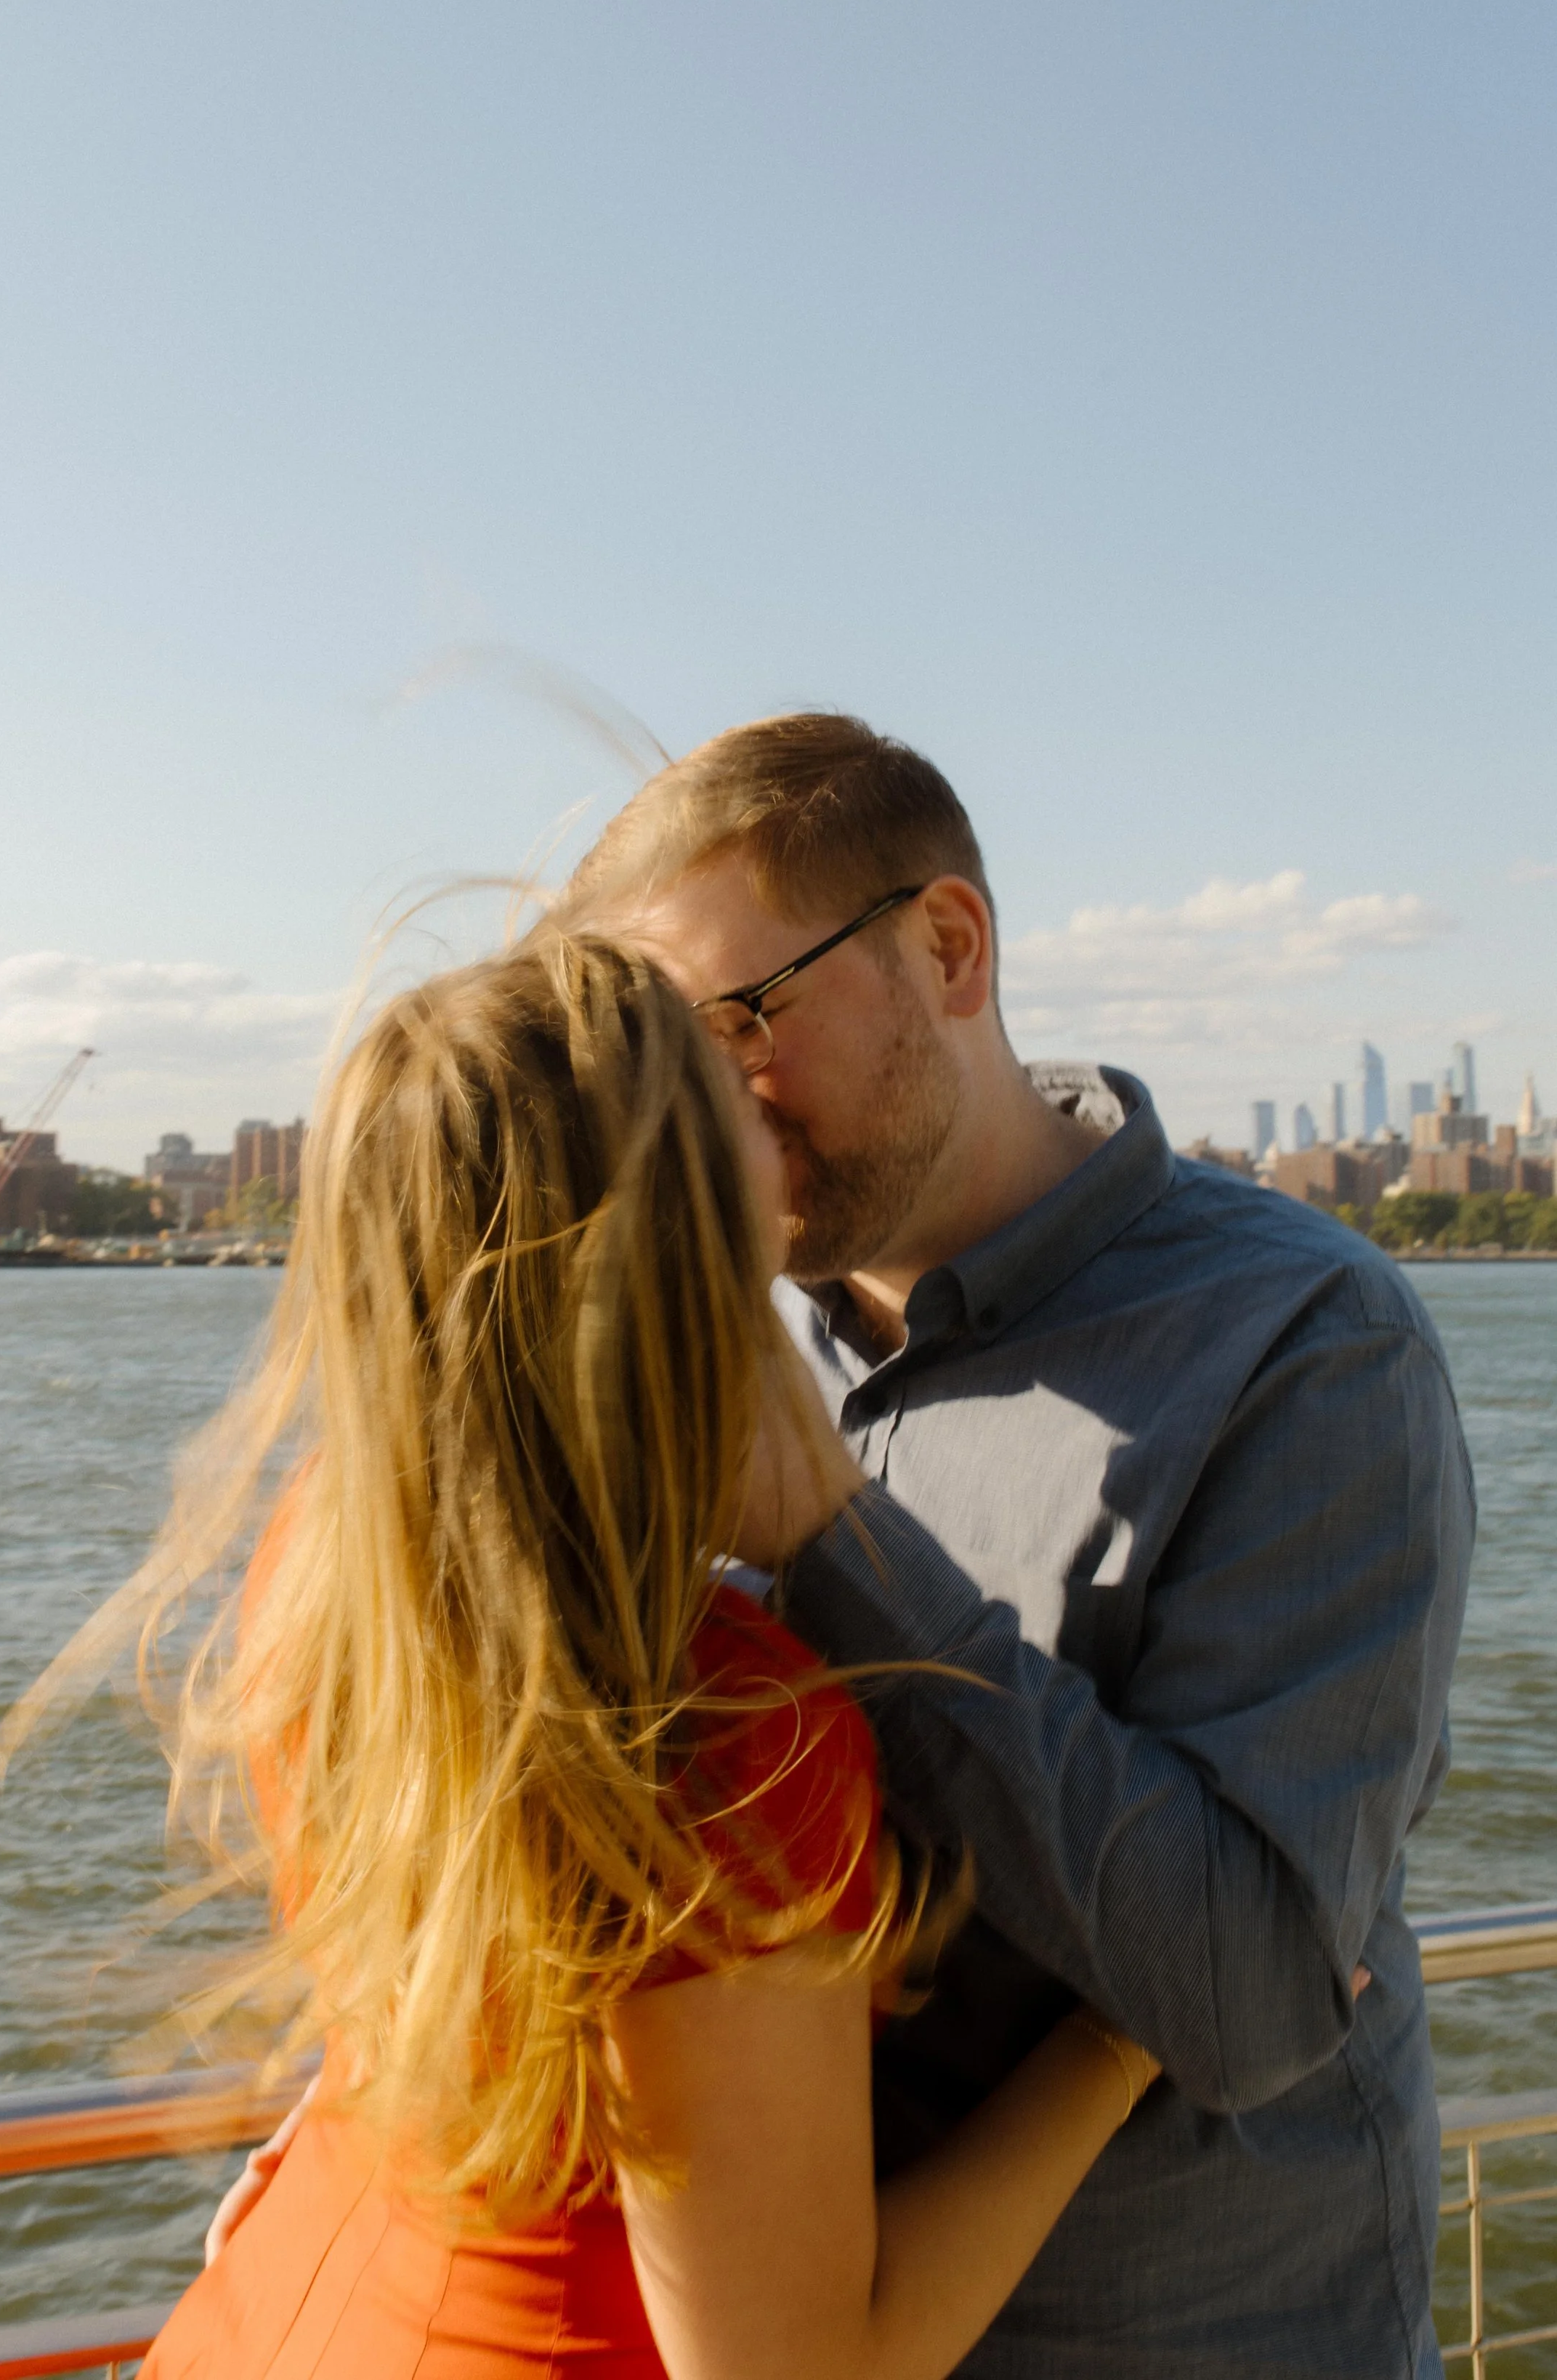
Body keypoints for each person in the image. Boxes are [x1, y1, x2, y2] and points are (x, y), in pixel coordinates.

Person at [550, 711, 1476, 2380]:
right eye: (660, 1065)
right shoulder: (727, 1345)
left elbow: (1257, 1999)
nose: (712, 1112)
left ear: (949, 948)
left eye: (738, 1023)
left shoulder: (1305, 1345)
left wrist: (830, 1540)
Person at [110, 930, 1154, 2380]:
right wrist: (1118, 2048)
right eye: (731, 1099)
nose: (774, 1109)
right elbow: (802, 2371)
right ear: (670, 1233)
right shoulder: (722, 1731)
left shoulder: (336, 1553)